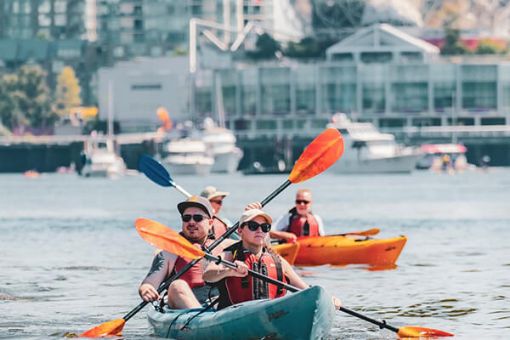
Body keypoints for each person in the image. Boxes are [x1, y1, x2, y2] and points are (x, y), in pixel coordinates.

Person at [203, 205, 341, 309]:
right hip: (234, 315)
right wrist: (229, 271)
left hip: (270, 315)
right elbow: (207, 275)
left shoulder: (278, 260)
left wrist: (327, 299)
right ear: (240, 231)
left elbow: (304, 289)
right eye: (253, 226)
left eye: (265, 227)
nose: (259, 230)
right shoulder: (229, 255)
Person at [138, 195, 233, 309]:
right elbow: (150, 281)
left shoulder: (227, 246)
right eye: (186, 218)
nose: (191, 222)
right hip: (183, 305)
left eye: (198, 218)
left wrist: (252, 215)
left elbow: (256, 242)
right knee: (177, 285)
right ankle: (200, 320)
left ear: (211, 223)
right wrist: (146, 289)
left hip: (219, 303)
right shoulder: (169, 251)